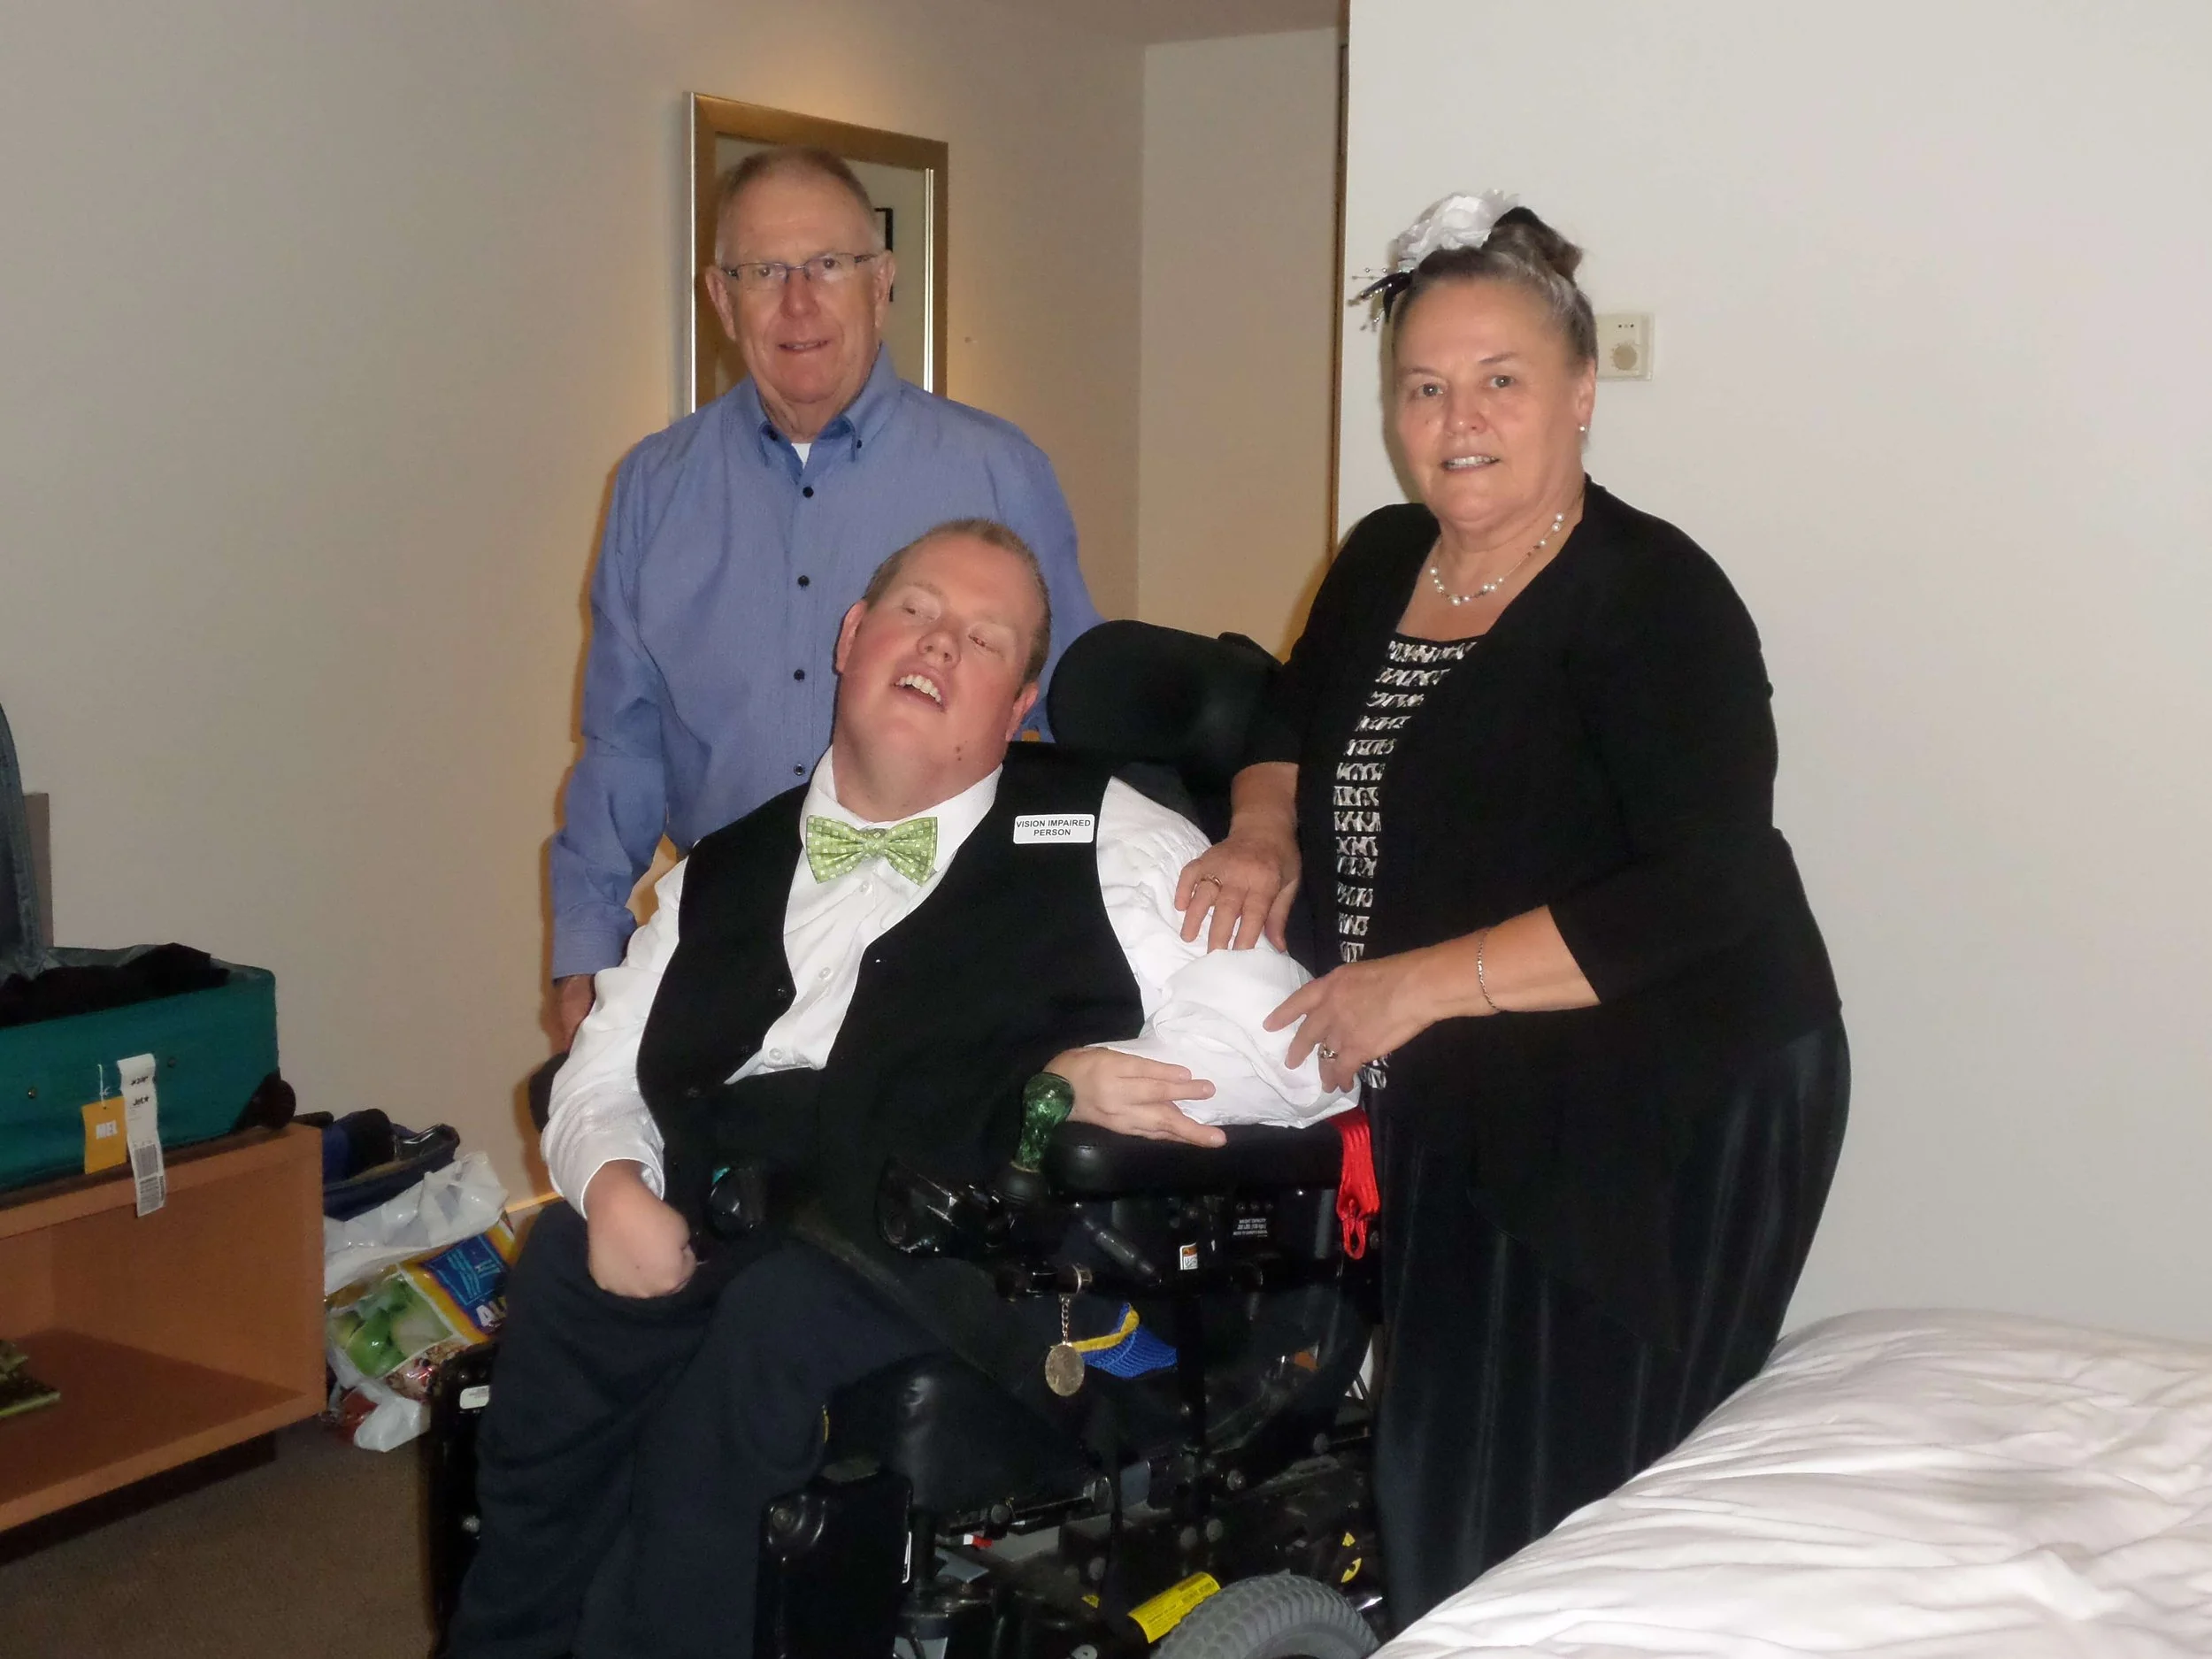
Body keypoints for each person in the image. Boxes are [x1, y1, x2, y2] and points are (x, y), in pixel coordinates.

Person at [450, 521, 1352, 1659]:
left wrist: (1064, 1086)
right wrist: (613, 1184)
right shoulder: (718, 869)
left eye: (984, 639)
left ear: (1019, 706)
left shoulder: (1110, 835)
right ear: (851, 638)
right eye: (915, 611)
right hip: (725, 1201)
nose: (938, 645)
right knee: (564, 1279)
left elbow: (1302, 1048)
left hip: (957, 1238)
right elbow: (607, 1063)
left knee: (763, 1340)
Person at [1176, 194, 1848, 1627]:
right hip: (1466, 1077)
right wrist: (1262, 831)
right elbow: (1289, 718)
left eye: (1500, 380)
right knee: (1444, 1458)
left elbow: (1707, 886)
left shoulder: (1654, 599)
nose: (1458, 419)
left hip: (1665, 1087)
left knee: (1573, 1486)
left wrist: (1414, 984)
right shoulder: (1381, 558)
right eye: (1424, 387)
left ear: (1582, 392)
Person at [547, 146, 1103, 1045]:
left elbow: (1073, 720)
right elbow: (623, 743)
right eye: (764, 272)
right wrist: (586, 948)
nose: (798, 303)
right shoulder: (652, 487)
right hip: (723, 946)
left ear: (882, 283)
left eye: (829, 265)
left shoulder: (998, 473)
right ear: (721, 297)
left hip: (948, 953)